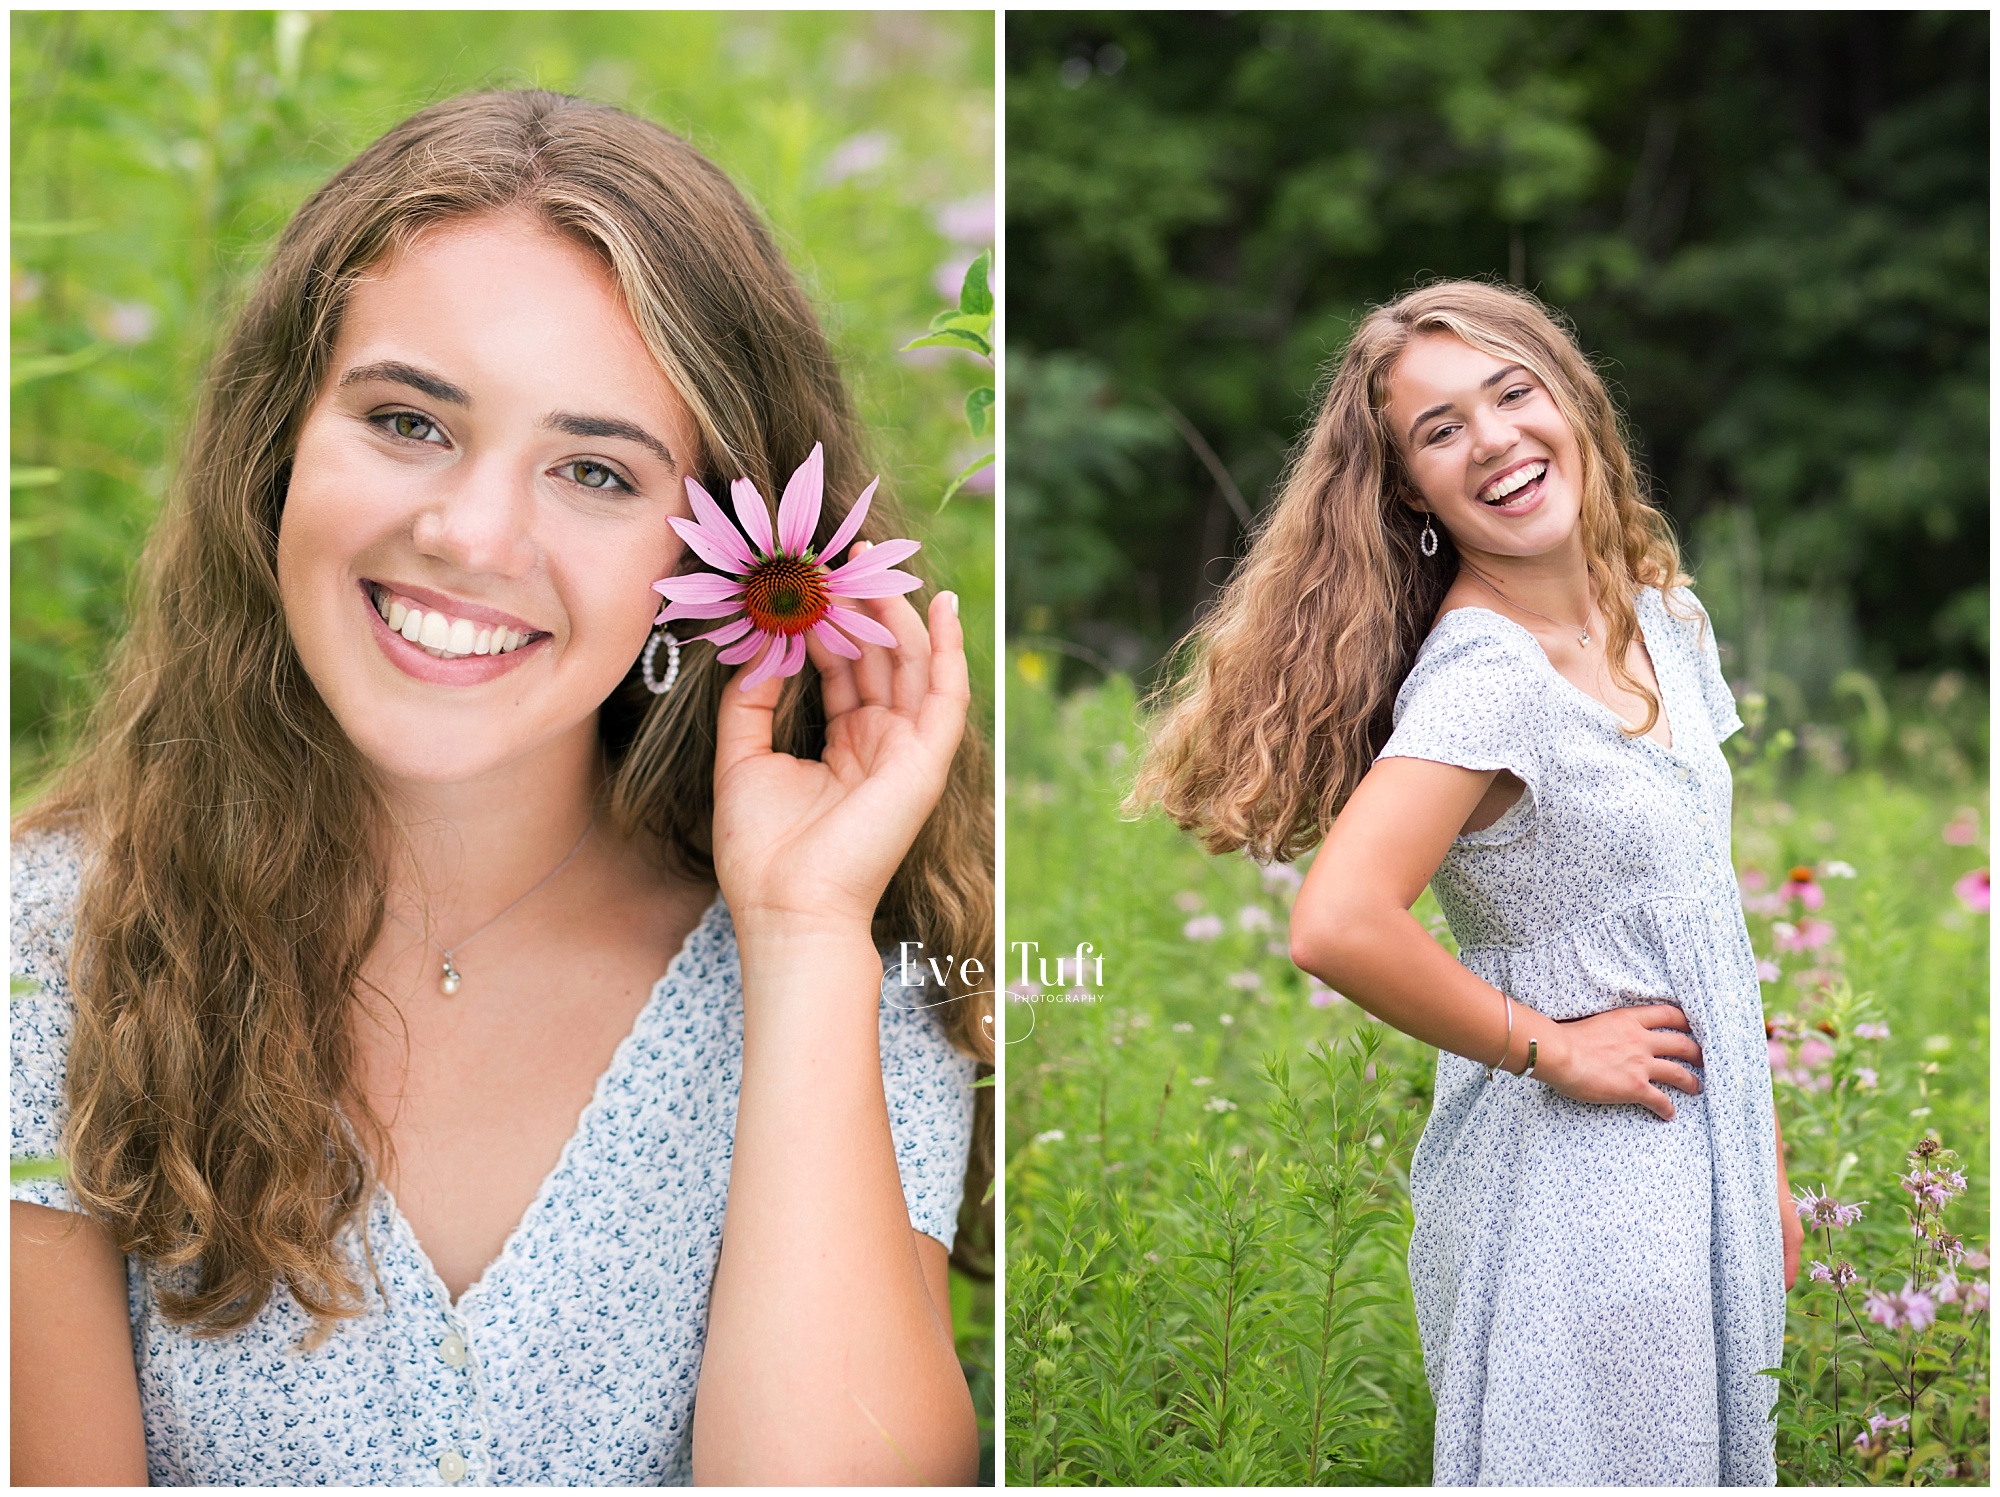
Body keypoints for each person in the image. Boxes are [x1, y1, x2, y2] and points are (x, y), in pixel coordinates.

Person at [11, 90, 990, 1487]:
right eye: (408, 421)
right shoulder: (47, 949)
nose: (471, 535)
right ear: (280, 445)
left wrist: (805, 938)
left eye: (593, 471)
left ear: (707, 560)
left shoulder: (851, 979)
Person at [1131, 280, 1801, 1485]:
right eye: (1440, 430)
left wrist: (1766, 1170)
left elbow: (1701, 913)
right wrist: (1553, 1048)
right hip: (1583, 1183)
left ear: (1572, 402)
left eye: (1511, 393)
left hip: (1707, 1161)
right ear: (1409, 490)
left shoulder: (1661, 617)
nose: (1492, 439)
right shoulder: (1486, 677)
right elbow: (1336, 923)